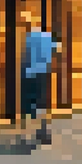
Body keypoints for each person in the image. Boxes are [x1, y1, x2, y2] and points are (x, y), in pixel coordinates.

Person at [21, 14, 58, 145]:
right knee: (42, 103)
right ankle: (43, 131)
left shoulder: (28, 38)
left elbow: (25, 56)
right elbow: (56, 51)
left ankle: (26, 134)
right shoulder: (47, 37)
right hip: (43, 72)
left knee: (27, 103)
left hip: (30, 72)